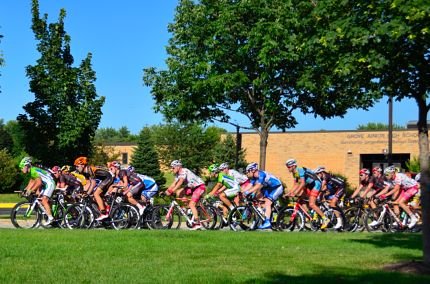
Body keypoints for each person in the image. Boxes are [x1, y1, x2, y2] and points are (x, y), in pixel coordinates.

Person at [286, 159, 330, 229]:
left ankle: (325, 219)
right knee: (301, 199)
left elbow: (302, 183)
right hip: (308, 185)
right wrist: (290, 192)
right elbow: (296, 184)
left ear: (294, 166)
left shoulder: (300, 170)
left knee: (311, 204)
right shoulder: (294, 173)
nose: (288, 168)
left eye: (289, 167)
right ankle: (310, 216)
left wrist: (295, 193)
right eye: (287, 167)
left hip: (316, 184)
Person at [165, 160, 206, 230]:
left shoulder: (184, 171)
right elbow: (174, 183)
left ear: (178, 167)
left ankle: (197, 224)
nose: (172, 169)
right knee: (179, 192)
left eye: (173, 167)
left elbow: (180, 182)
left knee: (192, 204)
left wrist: (172, 190)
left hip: (199, 186)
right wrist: (166, 191)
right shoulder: (178, 174)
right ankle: (188, 209)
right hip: (192, 187)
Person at [245, 162, 284, 230]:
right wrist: (241, 191)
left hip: (277, 187)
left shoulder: (261, 174)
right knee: (255, 198)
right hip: (268, 188)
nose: (247, 173)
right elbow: (250, 185)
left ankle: (267, 222)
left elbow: (258, 185)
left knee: (268, 202)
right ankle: (265, 212)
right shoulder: (254, 177)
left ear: (253, 170)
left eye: (248, 171)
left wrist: (248, 192)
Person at [19, 157, 56, 225]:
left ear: (26, 166)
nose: (21, 169)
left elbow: (38, 183)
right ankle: (49, 212)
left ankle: (51, 218)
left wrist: (30, 190)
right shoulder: (31, 171)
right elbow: (32, 182)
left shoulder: (33, 170)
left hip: (50, 183)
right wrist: (25, 190)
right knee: (39, 198)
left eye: (22, 167)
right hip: (46, 184)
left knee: (44, 200)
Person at [74, 156, 113, 221]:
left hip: (108, 178)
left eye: (77, 166)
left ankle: (103, 213)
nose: (76, 168)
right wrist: (83, 192)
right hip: (104, 179)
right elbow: (87, 183)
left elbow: (93, 183)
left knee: (96, 194)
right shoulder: (84, 172)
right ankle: (107, 208)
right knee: (96, 197)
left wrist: (88, 193)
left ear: (82, 165)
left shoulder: (89, 169)